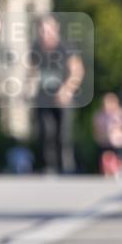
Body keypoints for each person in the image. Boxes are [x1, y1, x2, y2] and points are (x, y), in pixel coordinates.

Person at [30, 14, 84, 174]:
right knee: (45, 132)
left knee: (63, 134)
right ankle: (48, 167)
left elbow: (77, 71)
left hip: (62, 97)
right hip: (43, 96)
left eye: (47, 29)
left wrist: (67, 89)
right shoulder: (36, 47)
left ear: (55, 30)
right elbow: (32, 71)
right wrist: (28, 88)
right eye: (41, 30)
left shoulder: (65, 47)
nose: (44, 33)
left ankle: (66, 167)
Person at [92, 93, 122, 178]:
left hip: (118, 140)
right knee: (105, 156)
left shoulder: (121, 114)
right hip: (104, 140)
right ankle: (108, 171)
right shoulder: (100, 115)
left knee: (119, 156)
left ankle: (120, 170)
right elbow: (96, 128)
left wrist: (118, 129)